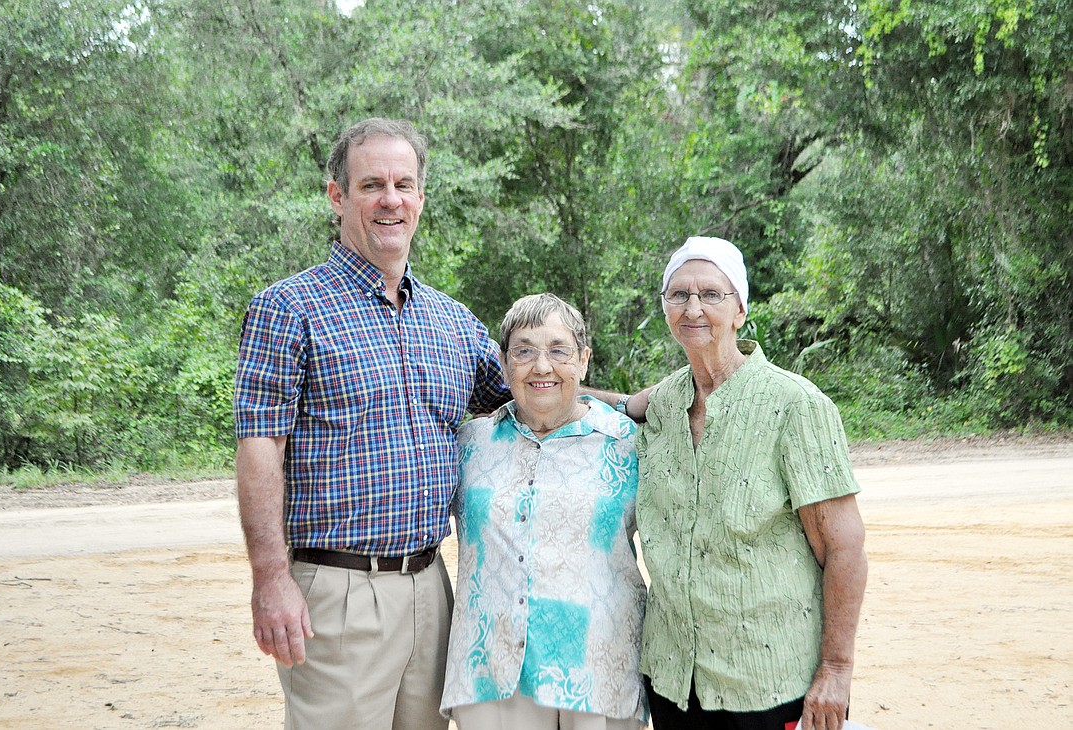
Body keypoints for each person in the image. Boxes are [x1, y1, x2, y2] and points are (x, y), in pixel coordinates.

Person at [233, 117, 510, 730]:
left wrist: (642, 403)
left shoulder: (453, 321)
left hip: (432, 588)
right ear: (337, 195)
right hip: (336, 591)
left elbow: (533, 399)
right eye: (372, 185)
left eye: (404, 184)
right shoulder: (287, 309)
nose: (391, 199)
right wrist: (271, 579)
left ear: (420, 197)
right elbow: (259, 447)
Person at [636, 236, 868, 730]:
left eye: (711, 295)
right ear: (665, 309)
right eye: (678, 295)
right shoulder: (661, 405)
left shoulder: (796, 405)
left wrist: (837, 669)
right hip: (674, 679)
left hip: (768, 684)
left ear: (740, 310)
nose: (693, 307)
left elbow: (844, 548)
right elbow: (584, 401)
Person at [440, 293, 648, 730]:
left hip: (598, 669)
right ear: (503, 361)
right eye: (524, 351)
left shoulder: (629, 444)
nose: (541, 366)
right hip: (491, 670)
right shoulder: (469, 445)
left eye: (558, 351)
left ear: (584, 361)